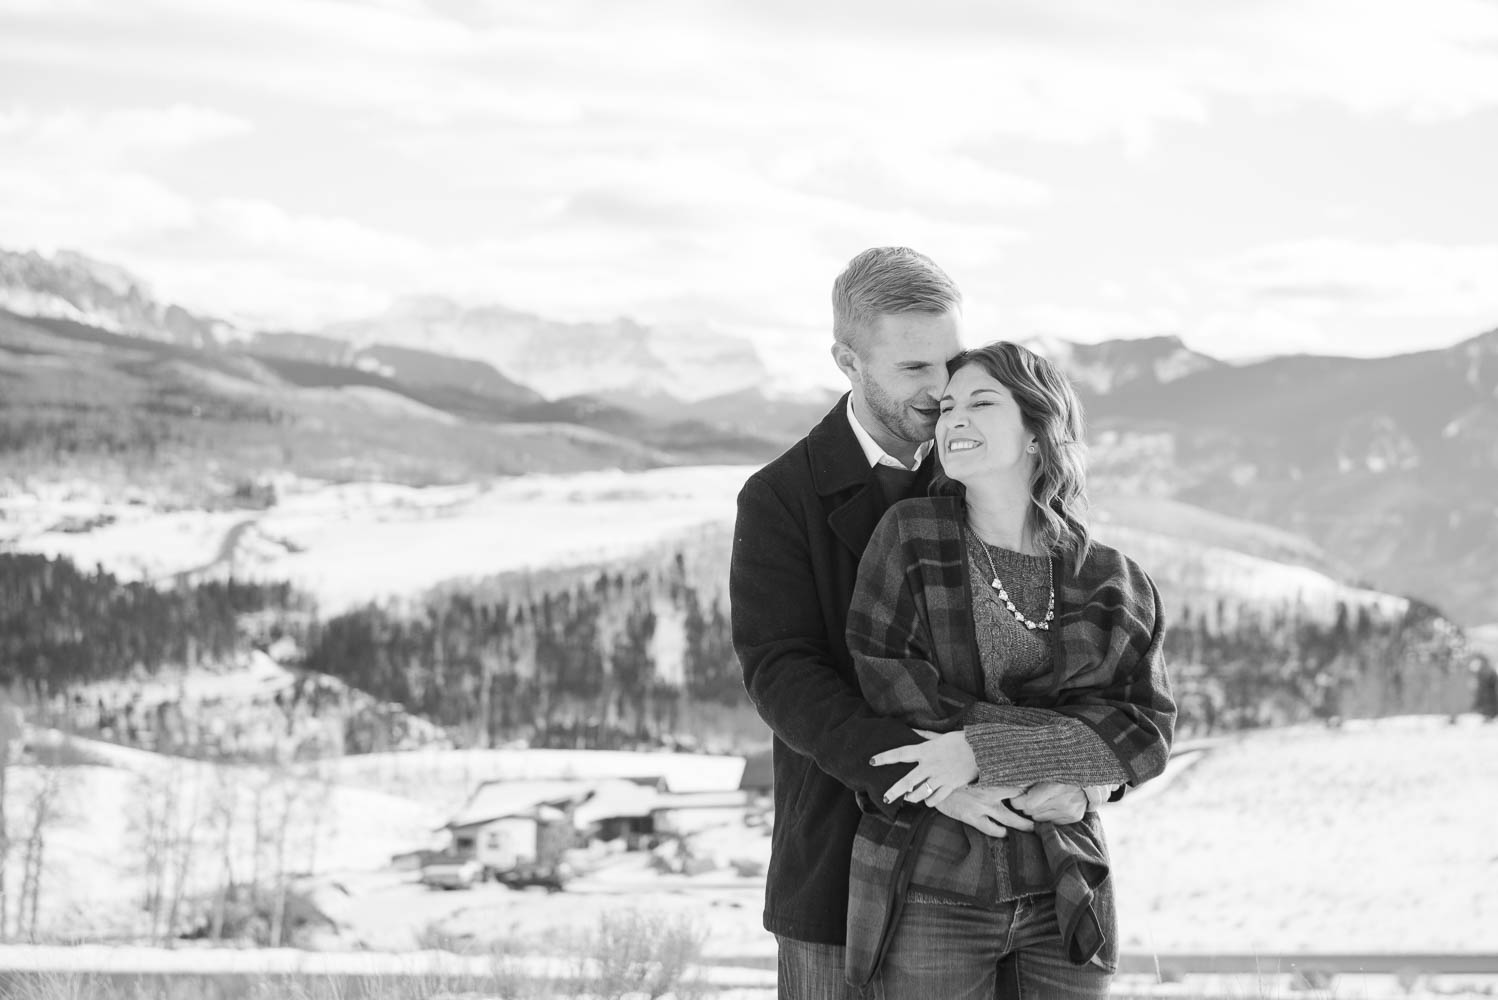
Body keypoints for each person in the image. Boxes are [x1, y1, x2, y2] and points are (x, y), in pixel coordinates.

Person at [731, 249, 1091, 999]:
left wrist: (1083, 782)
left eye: (950, 362)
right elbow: (784, 675)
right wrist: (930, 777)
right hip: (842, 861)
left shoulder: (981, 472)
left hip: (1018, 873)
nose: (940, 391)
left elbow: (1082, 670)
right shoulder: (780, 498)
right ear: (847, 361)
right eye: (912, 368)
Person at [843, 342, 1177, 998]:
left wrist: (983, 750)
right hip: (934, 878)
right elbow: (894, 691)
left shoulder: (1110, 578)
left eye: (980, 402)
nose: (953, 420)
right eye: (946, 407)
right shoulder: (911, 538)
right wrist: (1071, 752)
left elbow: (1143, 733)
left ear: (1035, 431)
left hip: (1067, 886)